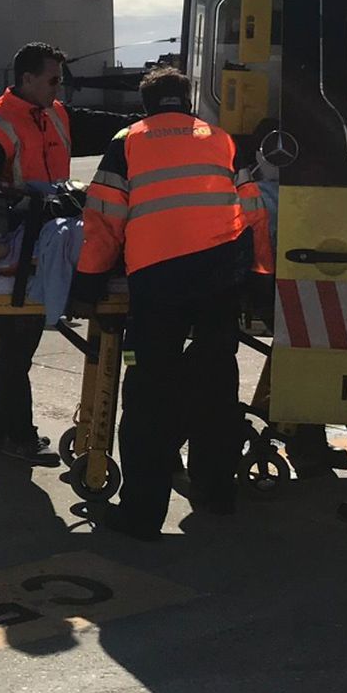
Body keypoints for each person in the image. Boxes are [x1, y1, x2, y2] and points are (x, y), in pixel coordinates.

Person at [70, 67, 268, 540]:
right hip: (220, 275)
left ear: (146, 104)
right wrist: (260, 275)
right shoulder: (219, 138)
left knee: (149, 395)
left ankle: (142, 514)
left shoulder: (129, 139)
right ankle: (217, 494)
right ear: (188, 99)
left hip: (158, 279)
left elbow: (104, 215)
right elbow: (253, 209)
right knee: (217, 384)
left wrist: (89, 280)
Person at [0, 42, 95, 467]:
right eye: (53, 80)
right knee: (17, 343)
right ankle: (16, 436)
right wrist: (26, 197)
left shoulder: (53, 113)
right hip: (16, 248)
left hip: (49, 241)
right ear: (26, 79)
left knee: (17, 345)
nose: (59, 89)